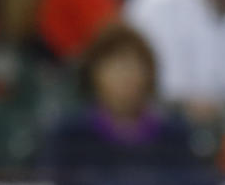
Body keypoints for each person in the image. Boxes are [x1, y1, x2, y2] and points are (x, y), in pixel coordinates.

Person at [40, 22, 207, 185]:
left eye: (134, 66)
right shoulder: (70, 137)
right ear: (94, 74)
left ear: (149, 74)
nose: (125, 76)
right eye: (115, 66)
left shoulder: (174, 138)